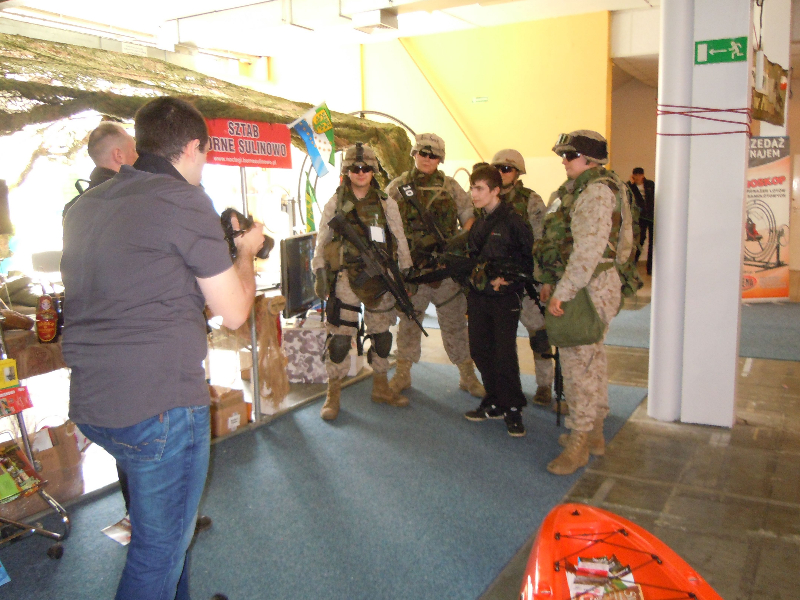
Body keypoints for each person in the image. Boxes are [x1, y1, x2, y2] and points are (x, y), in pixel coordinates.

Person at [62, 96, 263, 600]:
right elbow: (235, 313)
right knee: (160, 551)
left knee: (170, 532)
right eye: (205, 154)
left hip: (94, 403)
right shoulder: (183, 200)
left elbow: (144, 283)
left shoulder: (86, 205)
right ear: (193, 147)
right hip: (159, 408)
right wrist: (244, 253)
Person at [536, 130, 633, 475]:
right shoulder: (583, 189)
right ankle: (594, 433)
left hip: (587, 287)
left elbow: (588, 252)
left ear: (590, 160)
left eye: (569, 156)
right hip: (589, 283)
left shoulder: (595, 192)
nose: (563, 161)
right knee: (592, 361)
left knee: (578, 366)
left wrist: (563, 291)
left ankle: (579, 441)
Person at [312, 143, 412, 419]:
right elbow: (322, 239)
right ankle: (333, 394)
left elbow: (399, 237)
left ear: (373, 171)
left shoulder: (386, 202)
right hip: (346, 277)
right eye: (355, 168)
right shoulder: (336, 202)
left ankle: (381, 387)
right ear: (347, 171)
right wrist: (319, 271)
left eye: (366, 168)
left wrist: (405, 271)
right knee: (340, 340)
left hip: (380, 278)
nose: (360, 172)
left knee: (382, 338)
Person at [385, 133, 484, 398]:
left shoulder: (450, 187)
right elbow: (382, 222)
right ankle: (403, 373)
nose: (427, 159)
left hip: (444, 269)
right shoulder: (397, 187)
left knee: (454, 324)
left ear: (440, 159)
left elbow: (469, 218)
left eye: (433, 155)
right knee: (409, 323)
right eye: (423, 153)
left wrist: (458, 246)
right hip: (412, 271)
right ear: (414, 154)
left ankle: (467, 375)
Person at [463, 165, 533, 437]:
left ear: (495, 190)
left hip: (505, 298)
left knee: (504, 354)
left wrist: (510, 281)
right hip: (479, 297)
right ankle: (493, 399)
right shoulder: (479, 222)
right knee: (480, 349)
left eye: (479, 188)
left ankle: (513, 407)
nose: (474, 194)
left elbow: (528, 260)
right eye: (472, 188)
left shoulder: (514, 222)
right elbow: (473, 258)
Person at [491, 149, 554, 407]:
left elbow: (542, 240)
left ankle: (544, 384)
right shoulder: (487, 197)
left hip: (526, 279)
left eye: (507, 169)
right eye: (498, 169)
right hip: (497, 280)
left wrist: (543, 278)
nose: (501, 173)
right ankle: (504, 385)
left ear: (518, 173)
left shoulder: (531, 200)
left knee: (539, 335)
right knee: (500, 339)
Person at [62, 121, 138, 219]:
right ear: (118, 155)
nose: (138, 156)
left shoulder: (72, 208)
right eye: (134, 150)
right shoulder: (136, 199)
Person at [627, 167, 655, 276]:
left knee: (652, 242)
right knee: (640, 240)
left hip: (651, 216)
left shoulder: (650, 184)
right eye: (636, 175)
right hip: (640, 217)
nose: (638, 177)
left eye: (640, 175)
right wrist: (632, 184)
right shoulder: (630, 186)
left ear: (643, 175)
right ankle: (633, 264)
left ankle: (650, 268)